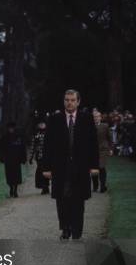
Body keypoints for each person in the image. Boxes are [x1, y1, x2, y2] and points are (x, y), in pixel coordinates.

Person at [42, 89, 99, 240]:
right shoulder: (55, 119)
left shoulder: (86, 119)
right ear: (63, 101)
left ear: (78, 102)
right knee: (62, 198)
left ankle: (77, 229)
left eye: (73, 100)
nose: (69, 103)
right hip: (61, 166)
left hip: (80, 166)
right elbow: (47, 145)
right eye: (67, 100)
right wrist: (46, 168)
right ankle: (65, 228)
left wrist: (94, 165)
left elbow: (93, 143)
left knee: (78, 199)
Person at [0, 122, 26, 198]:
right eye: (10, 128)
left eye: (12, 128)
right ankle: (11, 188)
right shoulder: (4, 137)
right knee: (9, 175)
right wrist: (1, 157)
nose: (11, 129)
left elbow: (22, 148)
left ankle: (15, 190)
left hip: (16, 159)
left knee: (16, 175)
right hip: (8, 159)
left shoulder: (18, 137)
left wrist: (23, 158)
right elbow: (1, 148)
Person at [92, 109, 112, 193]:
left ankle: (103, 186)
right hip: (93, 151)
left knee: (101, 167)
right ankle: (95, 186)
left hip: (103, 150)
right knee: (94, 169)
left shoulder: (105, 126)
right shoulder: (89, 126)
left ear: (100, 117)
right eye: (94, 117)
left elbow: (109, 138)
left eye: (97, 117)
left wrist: (110, 149)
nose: (96, 118)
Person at [29, 120, 50, 194]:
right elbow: (32, 147)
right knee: (41, 171)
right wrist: (31, 157)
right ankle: (44, 186)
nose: (41, 125)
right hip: (39, 157)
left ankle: (46, 186)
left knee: (47, 171)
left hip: (48, 156)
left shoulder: (49, 134)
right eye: (40, 124)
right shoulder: (36, 135)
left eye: (43, 124)